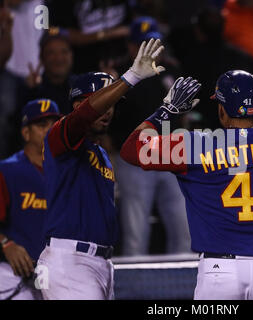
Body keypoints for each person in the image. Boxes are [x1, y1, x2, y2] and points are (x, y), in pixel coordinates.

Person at [119, 46, 253, 299]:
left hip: (221, 272)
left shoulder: (195, 145)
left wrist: (167, 111)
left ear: (221, 110)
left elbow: (132, 149)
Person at [36, 38, 165, 300]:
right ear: (77, 105)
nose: (108, 111)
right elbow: (84, 116)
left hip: (102, 263)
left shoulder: (101, 153)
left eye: (112, 104)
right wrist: (130, 77)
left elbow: (134, 145)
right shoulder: (60, 135)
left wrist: (165, 111)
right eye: (102, 103)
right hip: (70, 262)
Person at [109, 16, 191, 255]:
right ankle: (135, 289)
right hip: (134, 157)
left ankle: (185, 286)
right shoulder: (122, 75)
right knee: (136, 231)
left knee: (183, 227)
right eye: (144, 43)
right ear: (132, 46)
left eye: (155, 41)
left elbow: (184, 114)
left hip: (171, 154)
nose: (152, 48)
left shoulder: (171, 69)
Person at [0, 98, 61, 300]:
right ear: (26, 132)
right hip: (13, 273)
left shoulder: (69, 172)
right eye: (42, 125)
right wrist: (6, 244)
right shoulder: (7, 170)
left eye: (54, 124)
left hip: (56, 272)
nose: (50, 130)